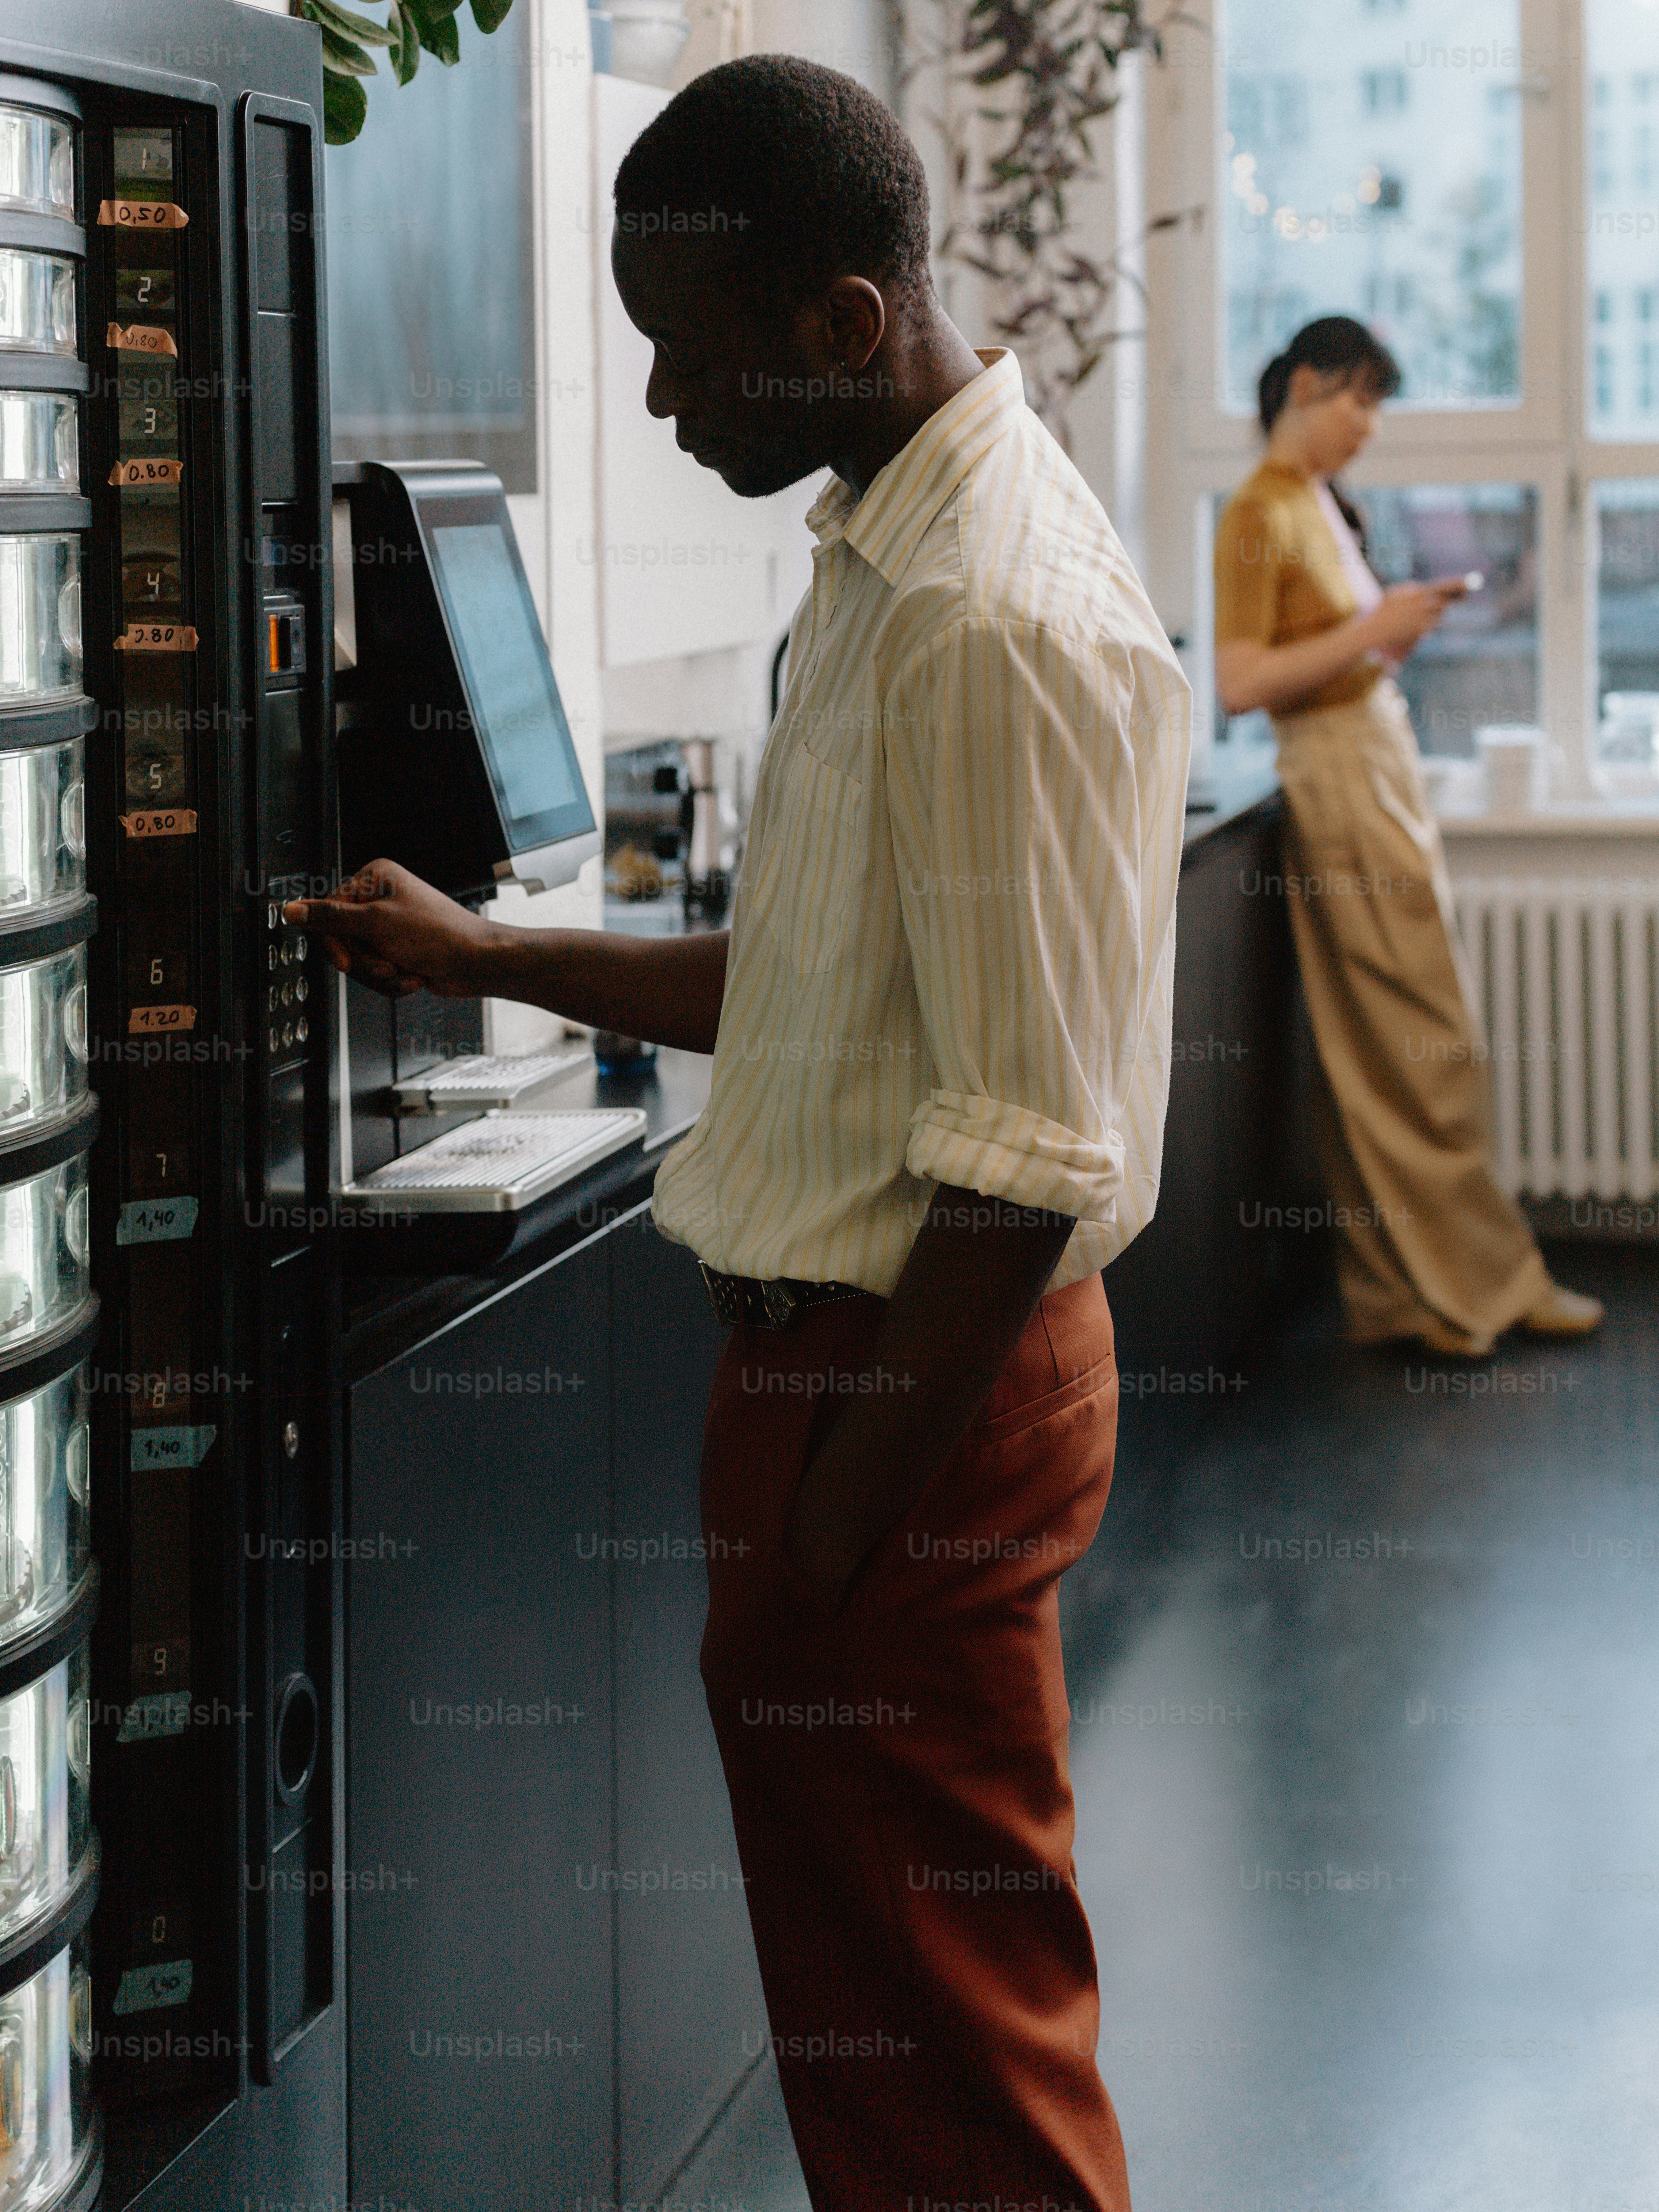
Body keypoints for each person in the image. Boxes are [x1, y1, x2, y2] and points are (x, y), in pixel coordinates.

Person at [287, 56, 1190, 2209]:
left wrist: (817, 1548)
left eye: (688, 360)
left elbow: (1019, 1156)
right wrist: (488, 952)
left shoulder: (985, 607)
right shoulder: (886, 552)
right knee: (888, 2040)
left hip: (903, 1397)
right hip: (859, 1388)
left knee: (955, 2055)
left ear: (841, 328)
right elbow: (813, 979)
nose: (666, 405)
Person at [1213, 314, 1602, 1358]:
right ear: (1304, 383)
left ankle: (1416, 1289)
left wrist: (1384, 629)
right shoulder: (1257, 510)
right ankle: (1468, 1289)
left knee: (1405, 1049)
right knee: (1409, 1055)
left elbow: (1331, 652)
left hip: (1371, 775)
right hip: (1338, 784)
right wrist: (1375, 629)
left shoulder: (1315, 506)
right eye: (1360, 399)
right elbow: (1241, 681)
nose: (1369, 425)